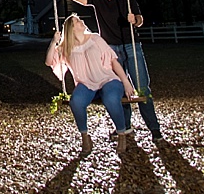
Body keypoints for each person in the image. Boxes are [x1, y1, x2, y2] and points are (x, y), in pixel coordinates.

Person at [51, 0, 165, 141]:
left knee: (142, 87)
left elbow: (141, 20)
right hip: (110, 47)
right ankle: (125, 127)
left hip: (130, 46)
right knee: (118, 88)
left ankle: (154, 128)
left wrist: (135, 20)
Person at [45, 14, 137, 156]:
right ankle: (85, 137)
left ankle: (121, 134)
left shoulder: (95, 39)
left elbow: (113, 61)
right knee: (76, 101)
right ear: (71, 29)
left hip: (108, 80)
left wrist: (125, 81)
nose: (81, 21)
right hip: (86, 84)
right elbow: (49, 61)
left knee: (111, 99)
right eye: (77, 21)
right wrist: (54, 42)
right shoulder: (66, 47)